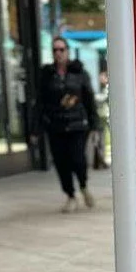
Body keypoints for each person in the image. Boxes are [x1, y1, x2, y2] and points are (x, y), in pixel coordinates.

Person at [34, 38, 99, 212]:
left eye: (62, 49)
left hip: (77, 124)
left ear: (67, 51)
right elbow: (40, 102)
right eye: (55, 50)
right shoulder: (47, 75)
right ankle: (70, 195)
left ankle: (83, 185)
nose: (58, 53)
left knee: (78, 159)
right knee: (61, 162)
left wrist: (94, 124)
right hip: (56, 125)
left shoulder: (79, 73)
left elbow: (89, 99)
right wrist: (36, 127)